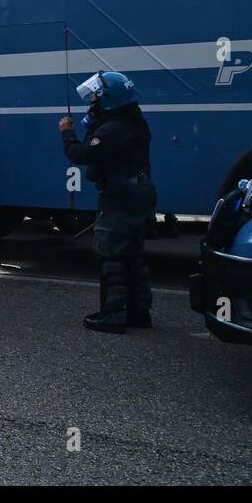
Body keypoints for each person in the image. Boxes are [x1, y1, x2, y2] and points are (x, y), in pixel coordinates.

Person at [60, 71, 156, 334]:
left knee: (110, 253)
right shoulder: (133, 120)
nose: (92, 102)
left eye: (96, 98)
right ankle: (140, 312)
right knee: (134, 254)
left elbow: (80, 154)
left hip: (121, 196)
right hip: (140, 191)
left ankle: (113, 315)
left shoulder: (112, 128)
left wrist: (67, 133)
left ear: (108, 99)